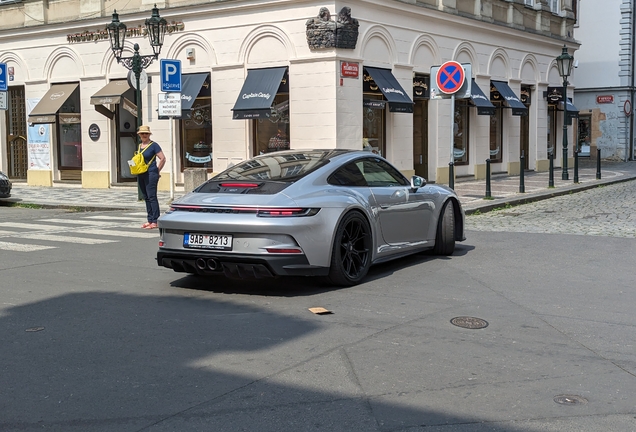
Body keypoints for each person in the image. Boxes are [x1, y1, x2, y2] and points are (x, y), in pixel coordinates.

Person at [136, 125, 166, 229]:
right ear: (139, 135)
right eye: (142, 133)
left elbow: (162, 158)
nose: (144, 135)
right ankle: (149, 219)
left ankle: (155, 220)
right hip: (141, 173)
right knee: (146, 197)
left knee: (152, 196)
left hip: (151, 173)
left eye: (146, 133)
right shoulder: (139, 146)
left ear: (149, 135)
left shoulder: (154, 145)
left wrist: (157, 170)